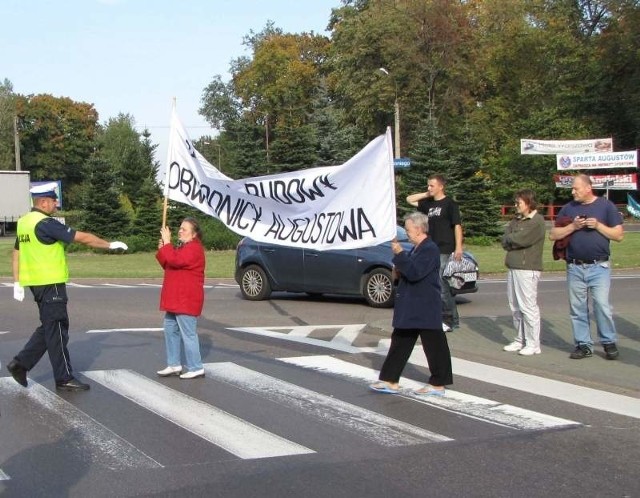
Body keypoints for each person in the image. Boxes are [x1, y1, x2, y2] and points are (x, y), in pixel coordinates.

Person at [7, 184, 128, 391]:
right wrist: (109, 245)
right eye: (54, 201)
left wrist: (17, 280)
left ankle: (20, 364)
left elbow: (17, 252)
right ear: (43, 202)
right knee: (58, 330)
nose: (56, 204)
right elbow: (81, 238)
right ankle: (63, 378)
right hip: (50, 283)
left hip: (36, 285)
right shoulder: (45, 223)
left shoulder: (24, 222)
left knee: (50, 327)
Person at [369, 212, 453, 396]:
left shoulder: (429, 248)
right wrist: (397, 271)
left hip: (424, 305)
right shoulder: (417, 249)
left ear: (418, 229)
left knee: (434, 344)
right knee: (400, 341)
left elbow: (415, 273)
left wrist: (399, 254)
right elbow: (408, 272)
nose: (406, 233)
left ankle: (438, 383)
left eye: (408, 229)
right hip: (412, 304)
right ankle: (390, 380)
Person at [549, 174, 624, 360]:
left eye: (576, 188)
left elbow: (618, 235)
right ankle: (583, 344)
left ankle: (608, 341)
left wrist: (598, 225)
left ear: (588, 188)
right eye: (572, 189)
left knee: (601, 305)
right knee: (577, 308)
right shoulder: (568, 208)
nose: (573, 192)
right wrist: (573, 227)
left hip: (599, 266)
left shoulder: (606, 206)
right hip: (575, 267)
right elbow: (553, 234)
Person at [407, 174, 463, 331]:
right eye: (428, 185)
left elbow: (457, 226)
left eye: (432, 186)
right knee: (438, 284)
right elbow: (409, 199)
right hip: (430, 248)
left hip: (444, 247)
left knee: (440, 283)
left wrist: (459, 247)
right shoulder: (427, 204)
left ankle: (449, 320)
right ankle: (450, 318)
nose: (429, 188)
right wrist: (427, 194)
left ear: (441, 186)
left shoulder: (450, 204)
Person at [155, 217, 206, 379]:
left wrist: (168, 243)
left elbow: (175, 260)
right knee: (170, 329)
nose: (180, 231)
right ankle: (174, 364)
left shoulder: (194, 249)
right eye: (180, 228)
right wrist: (163, 249)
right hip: (176, 298)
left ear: (194, 234)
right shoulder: (184, 248)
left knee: (188, 333)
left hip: (185, 298)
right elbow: (168, 263)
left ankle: (196, 366)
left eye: (184, 229)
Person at [501, 189, 546, 356]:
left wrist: (512, 238)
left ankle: (533, 343)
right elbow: (505, 238)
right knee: (514, 306)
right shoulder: (516, 220)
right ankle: (520, 339)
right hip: (513, 266)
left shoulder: (537, 221)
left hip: (528, 268)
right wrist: (511, 238)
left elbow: (522, 239)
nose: (515, 205)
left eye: (518, 202)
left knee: (528, 307)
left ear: (528, 203)